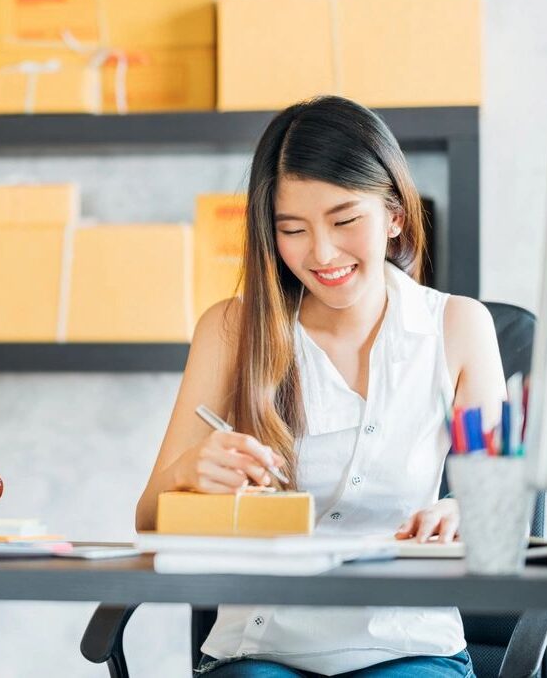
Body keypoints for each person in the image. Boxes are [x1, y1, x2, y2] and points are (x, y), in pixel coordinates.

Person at [135, 96, 504, 677]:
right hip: (261, 648)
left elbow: (500, 504)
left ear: (395, 216)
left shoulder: (458, 327)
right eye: (293, 229)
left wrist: (465, 511)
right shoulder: (232, 330)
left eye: (344, 220)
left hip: (406, 643)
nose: (322, 253)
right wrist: (188, 476)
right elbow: (148, 519)